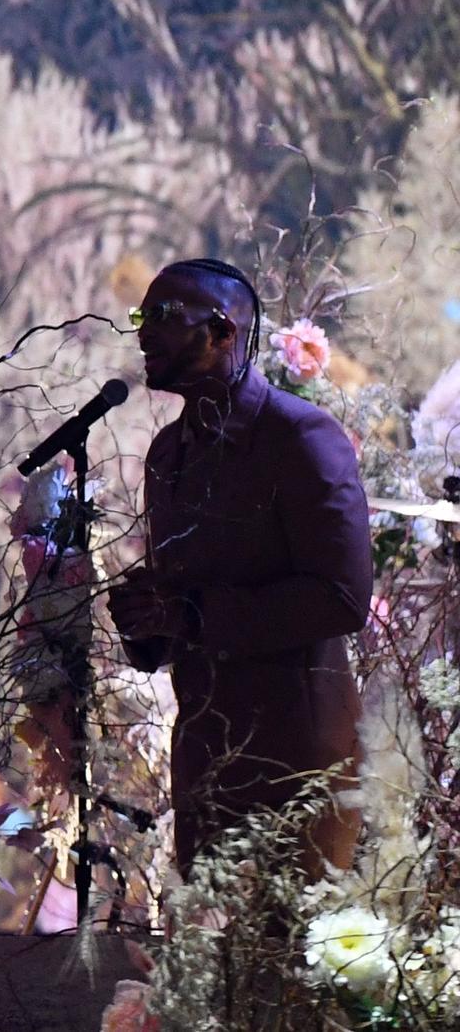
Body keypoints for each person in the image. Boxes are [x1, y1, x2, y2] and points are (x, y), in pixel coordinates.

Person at [109, 258, 371, 873]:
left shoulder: (300, 436)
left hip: (299, 758)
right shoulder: (167, 453)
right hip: (205, 756)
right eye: (142, 316)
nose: (145, 331)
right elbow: (183, 603)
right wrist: (148, 619)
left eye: (166, 316)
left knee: (294, 959)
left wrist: (193, 614)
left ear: (225, 332)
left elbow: (342, 597)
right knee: (211, 958)